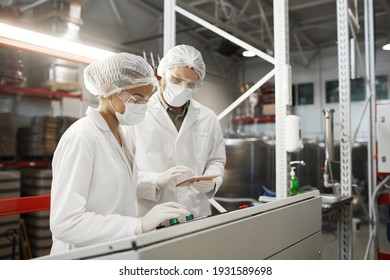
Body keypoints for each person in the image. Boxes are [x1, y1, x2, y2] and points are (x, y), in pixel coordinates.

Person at [49, 53, 190, 255]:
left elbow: (116, 180)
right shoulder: (82, 137)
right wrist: (137, 225)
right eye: (137, 99)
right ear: (109, 90)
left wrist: (157, 180)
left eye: (147, 100)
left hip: (114, 250)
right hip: (81, 256)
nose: (142, 107)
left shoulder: (121, 135)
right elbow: (65, 223)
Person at [125, 45, 226, 221]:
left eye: (190, 84)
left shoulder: (208, 118)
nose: (182, 87)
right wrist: (155, 181)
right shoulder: (137, 114)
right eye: (176, 79)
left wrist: (213, 181)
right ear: (161, 73)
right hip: (150, 214)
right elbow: (123, 169)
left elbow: (216, 160)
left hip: (195, 212)